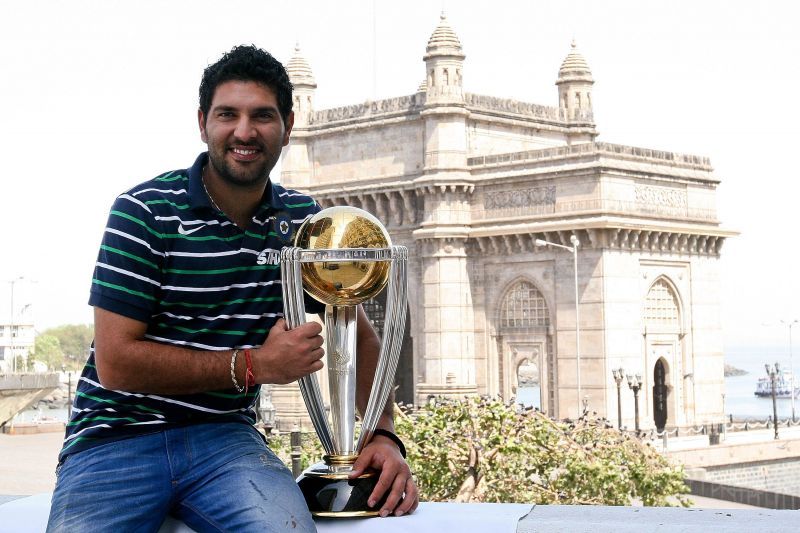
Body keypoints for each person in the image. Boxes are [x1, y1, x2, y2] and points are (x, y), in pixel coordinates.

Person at [47, 45, 418, 533]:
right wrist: (256, 365)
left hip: (226, 442)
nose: (244, 132)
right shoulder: (145, 212)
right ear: (203, 124)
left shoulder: (301, 222)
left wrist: (384, 434)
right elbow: (116, 362)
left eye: (262, 116)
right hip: (116, 438)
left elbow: (357, 331)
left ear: (287, 125)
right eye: (228, 115)